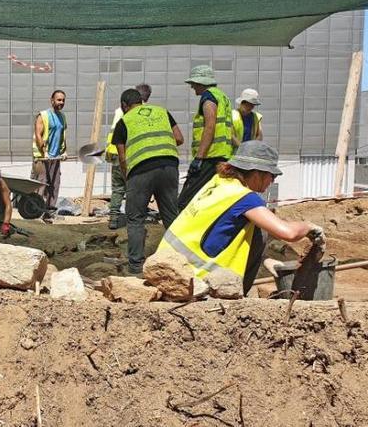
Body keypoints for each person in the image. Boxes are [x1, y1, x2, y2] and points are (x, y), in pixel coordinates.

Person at [158, 141, 323, 294]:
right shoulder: (244, 197)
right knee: (261, 230)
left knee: (253, 225)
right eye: (272, 176)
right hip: (196, 279)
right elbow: (288, 233)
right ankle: (237, 294)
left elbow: (221, 230)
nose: (271, 182)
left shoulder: (218, 182)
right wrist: (309, 226)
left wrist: (264, 259)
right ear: (257, 173)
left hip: (165, 270)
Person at [111, 88, 184, 275]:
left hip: (141, 171)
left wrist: (129, 180)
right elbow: (179, 138)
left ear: (124, 106)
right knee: (171, 216)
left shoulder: (124, 121)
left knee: (135, 219)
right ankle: (181, 260)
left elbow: (122, 157)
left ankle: (135, 267)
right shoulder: (162, 112)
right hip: (169, 166)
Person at [178, 65, 235, 211]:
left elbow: (210, 126)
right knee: (213, 198)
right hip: (223, 155)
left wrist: (199, 158)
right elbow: (229, 132)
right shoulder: (222, 97)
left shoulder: (209, 97)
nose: (192, 87)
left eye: (193, 84)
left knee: (186, 200)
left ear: (200, 83)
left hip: (210, 157)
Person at [106, 83, 152, 229]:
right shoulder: (141, 112)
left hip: (114, 152)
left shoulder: (119, 110)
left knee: (117, 188)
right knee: (133, 187)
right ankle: (134, 218)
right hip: (129, 154)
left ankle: (113, 217)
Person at [31, 90, 67, 223]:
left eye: (63, 100)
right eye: (58, 100)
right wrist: (44, 151)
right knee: (41, 183)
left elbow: (62, 136)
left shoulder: (62, 117)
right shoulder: (43, 115)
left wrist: (63, 152)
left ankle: (49, 212)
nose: (61, 102)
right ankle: (36, 212)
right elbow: (38, 134)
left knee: (54, 185)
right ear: (52, 100)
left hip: (55, 157)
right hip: (43, 157)